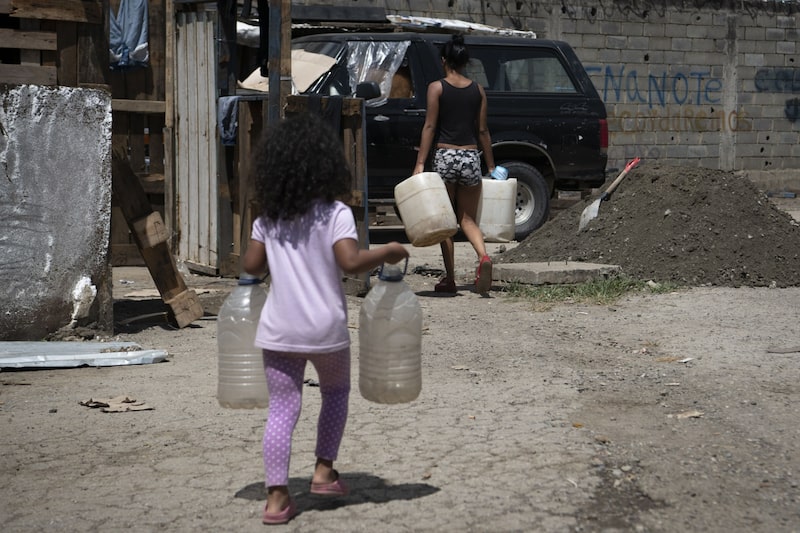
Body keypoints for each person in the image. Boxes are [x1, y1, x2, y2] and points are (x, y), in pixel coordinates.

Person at [243, 113, 409, 525]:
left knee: (282, 409)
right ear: (326, 165)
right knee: (335, 393)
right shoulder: (336, 213)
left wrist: (264, 239)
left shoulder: (269, 218)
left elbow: (250, 267)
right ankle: (322, 471)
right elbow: (350, 262)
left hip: (280, 330)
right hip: (325, 330)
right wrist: (388, 251)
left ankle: (277, 499)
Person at [413, 33, 497, 295]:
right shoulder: (478, 90)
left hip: (445, 158)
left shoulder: (436, 88)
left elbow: (429, 126)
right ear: (464, 62)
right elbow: (482, 131)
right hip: (471, 158)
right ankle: (484, 257)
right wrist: (492, 167)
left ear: (444, 61)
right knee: (468, 219)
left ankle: (450, 279)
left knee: (446, 222)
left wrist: (420, 163)